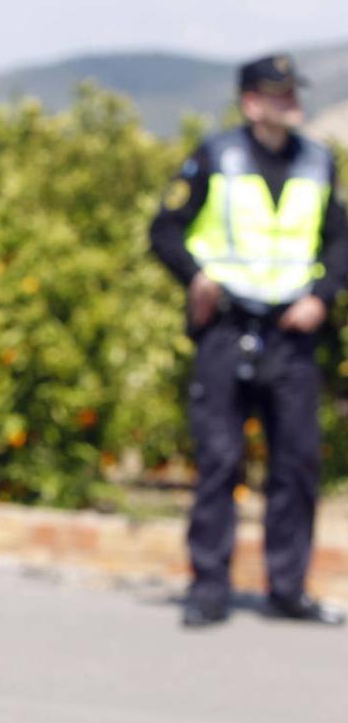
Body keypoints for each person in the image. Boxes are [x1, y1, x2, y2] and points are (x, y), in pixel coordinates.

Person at [150, 54, 348, 627]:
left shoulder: (318, 160)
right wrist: (197, 278)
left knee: (296, 466)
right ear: (251, 102)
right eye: (278, 93)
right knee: (219, 462)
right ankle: (208, 588)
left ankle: (288, 590)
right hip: (227, 330)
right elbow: (164, 230)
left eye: (293, 91)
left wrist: (322, 296)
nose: (291, 101)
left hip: (291, 335)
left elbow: (340, 242)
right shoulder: (216, 156)